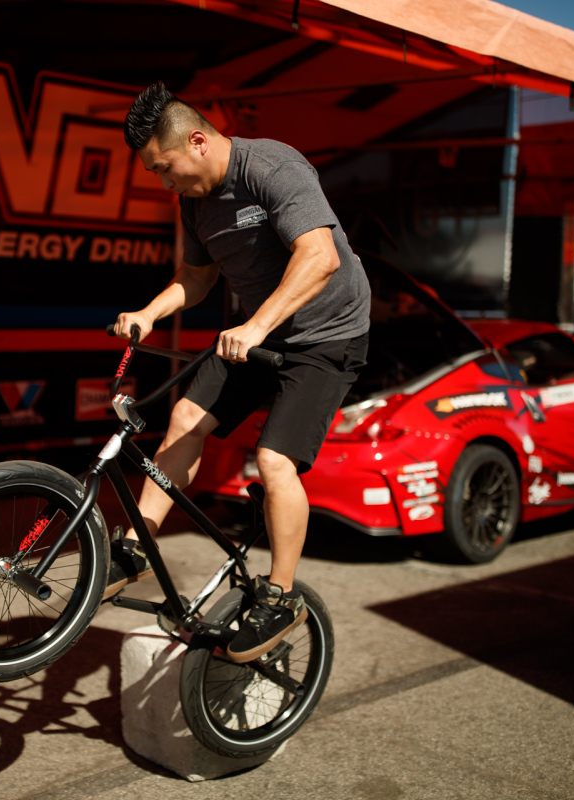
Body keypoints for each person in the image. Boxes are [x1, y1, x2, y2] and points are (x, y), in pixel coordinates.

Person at [110, 81, 371, 663]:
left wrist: (255, 328)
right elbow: (197, 276)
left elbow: (320, 256)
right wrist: (148, 315)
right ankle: (134, 550)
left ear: (197, 142)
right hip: (260, 332)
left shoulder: (271, 167)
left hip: (327, 336)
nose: (164, 181)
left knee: (275, 460)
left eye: (164, 167)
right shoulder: (194, 201)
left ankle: (280, 597)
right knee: (184, 416)